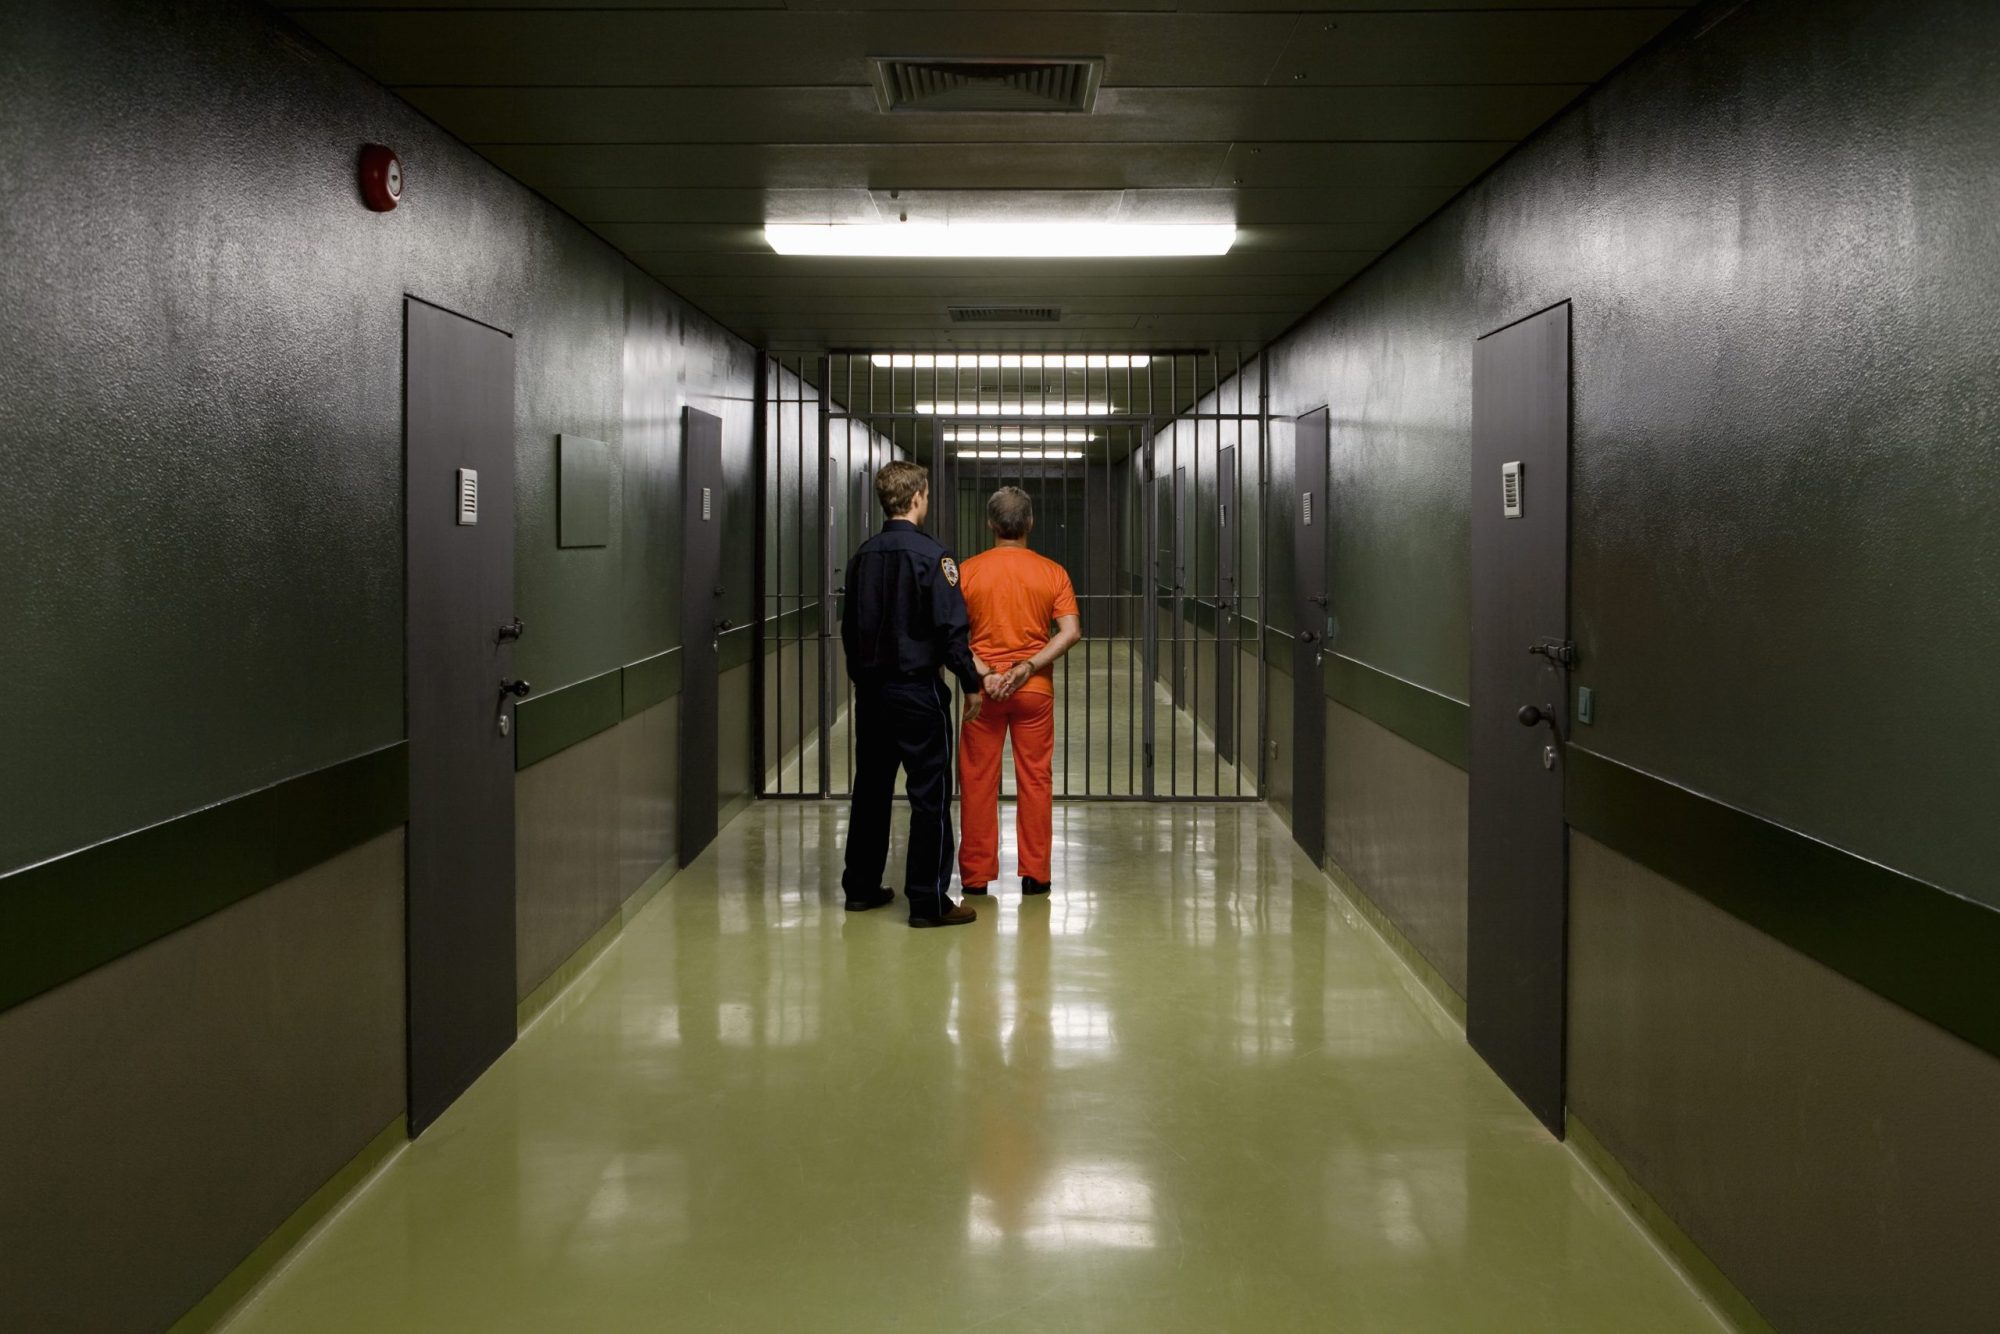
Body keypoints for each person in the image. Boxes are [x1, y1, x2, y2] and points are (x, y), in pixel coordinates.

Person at [840, 460, 986, 928]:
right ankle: (928, 901)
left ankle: (861, 888)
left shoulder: (863, 556)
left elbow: (848, 628)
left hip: (872, 693)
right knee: (930, 793)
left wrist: (862, 677)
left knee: (871, 788)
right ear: (919, 496)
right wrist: (970, 682)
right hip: (917, 691)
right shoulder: (934, 557)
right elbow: (951, 631)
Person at [956, 486, 1082, 899]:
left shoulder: (968, 571)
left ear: (991, 524)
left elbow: (953, 635)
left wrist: (987, 673)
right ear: (1029, 523)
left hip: (982, 694)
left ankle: (975, 878)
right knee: (1035, 780)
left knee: (977, 781)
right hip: (1035, 692)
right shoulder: (1052, 571)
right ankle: (1036, 874)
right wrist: (1026, 666)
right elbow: (1070, 632)